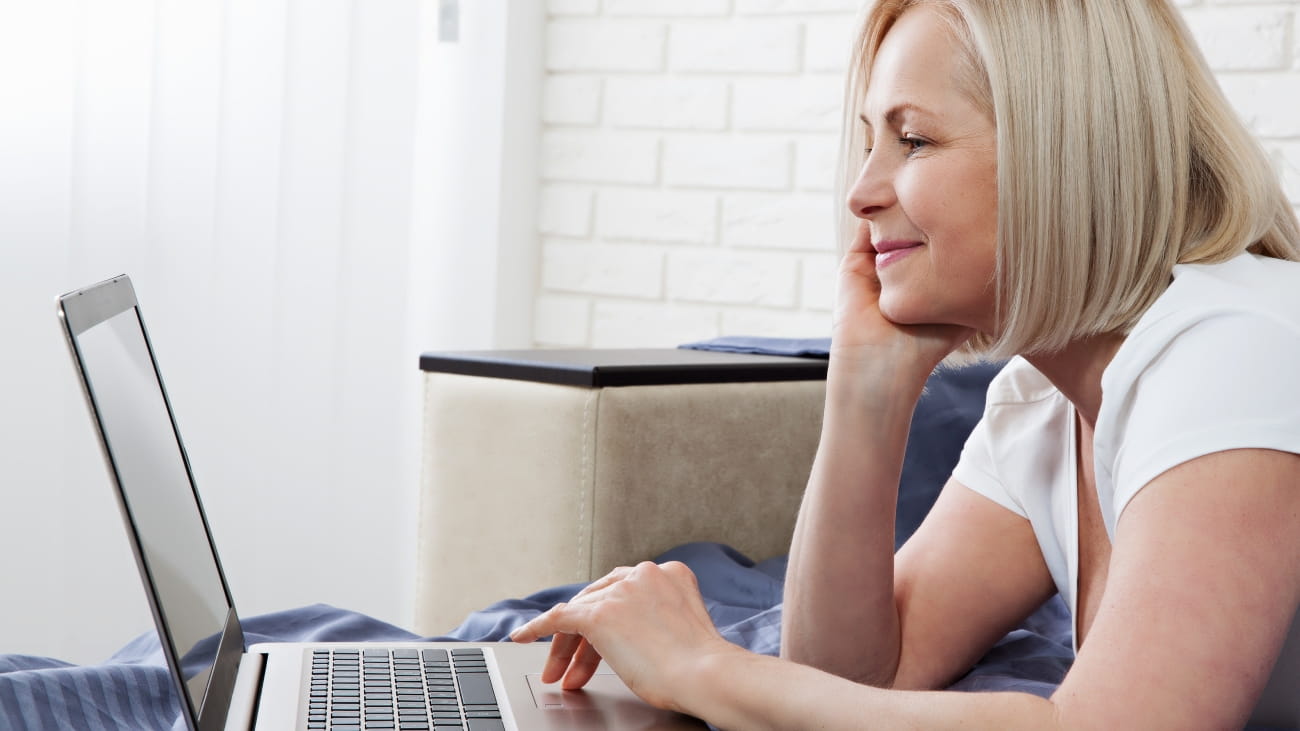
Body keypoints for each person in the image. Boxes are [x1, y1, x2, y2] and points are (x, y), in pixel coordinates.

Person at [511, 0, 1300, 727]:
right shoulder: (1046, 403)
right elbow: (859, 675)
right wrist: (867, 386)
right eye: (868, 143)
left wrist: (700, 665)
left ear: (1065, 153)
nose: (860, 191)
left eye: (912, 139)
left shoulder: (1239, 343)